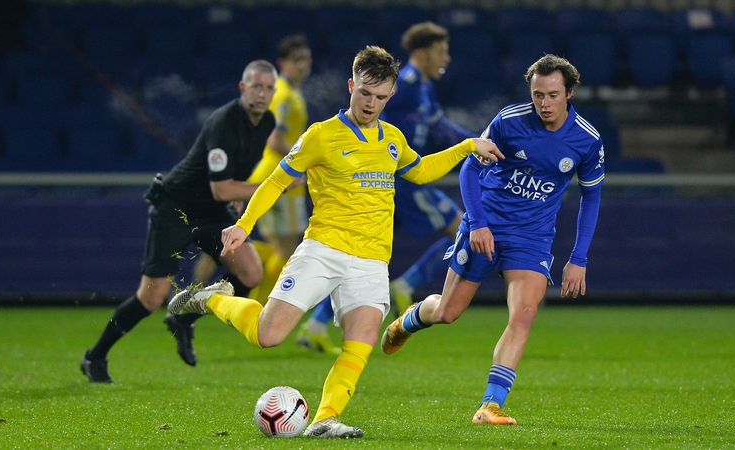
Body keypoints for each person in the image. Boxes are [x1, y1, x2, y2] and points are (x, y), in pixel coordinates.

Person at [167, 46, 503, 438]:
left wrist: (466, 147)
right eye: (364, 93)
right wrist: (244, 224)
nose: (370, 103)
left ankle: (325, 418)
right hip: (324, 250)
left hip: (372, 260)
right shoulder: (321, 135)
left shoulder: (391, 139)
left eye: (380, 97)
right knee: (268, 335)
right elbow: (277, 179)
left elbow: (421, 171)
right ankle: (211, 298)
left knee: (360, 340)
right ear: (351, 86)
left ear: (391, 96)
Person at [381, 54, 604, 425]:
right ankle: (406, 322)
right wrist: (479, 223)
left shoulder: (586, 140)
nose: (544, 103)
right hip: (485, 227)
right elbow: (470, 168)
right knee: (448, 313)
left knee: (525, 314)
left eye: (552, 95)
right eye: (537, 95)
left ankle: (490, 405)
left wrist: (578, 257)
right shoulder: (508, 121)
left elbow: (591, 196)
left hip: (531, 238)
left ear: (570, 93)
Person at [80, 60, 279, 383]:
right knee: (152, 297)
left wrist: (240, 191)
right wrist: (269, 188)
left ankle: (185, 319)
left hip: (213, 212)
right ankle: (95, 356)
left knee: (251, 271)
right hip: (177, 207)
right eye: (256, 86)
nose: (263, 93)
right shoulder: (224, 121)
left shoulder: (266, 121)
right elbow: (219, 187)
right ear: (243, 88)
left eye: (269, 87)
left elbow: (233, 175)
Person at [191, 35, 340, 354]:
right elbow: (275, 141)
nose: (304, 66)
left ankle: (231, 275)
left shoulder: (288, 94)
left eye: (307, 59)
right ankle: (249, 302)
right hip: (280, 180)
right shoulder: (285, 97)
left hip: (278, 178)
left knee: (283, 249)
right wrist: (311, 157)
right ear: (282, 64)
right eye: (298, 60)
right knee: (288, 251)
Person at [380, 21, 477, 315]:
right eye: (441, 52)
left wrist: (476, 141)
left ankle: (317, 324)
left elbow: (440, 126)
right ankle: (405, 285)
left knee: (362, 251)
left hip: (401, 179)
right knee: (463, 228)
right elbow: (373, 117)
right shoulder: (405, 85)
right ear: (422, 53)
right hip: (402, 178)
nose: (446, 59)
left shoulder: (424, 88)